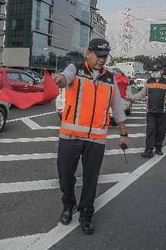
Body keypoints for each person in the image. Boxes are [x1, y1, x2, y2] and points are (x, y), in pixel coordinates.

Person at [52, 38, 129, 235]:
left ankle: (86, 212)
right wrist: (59, 79)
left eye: (105, 56)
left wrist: (123, 133)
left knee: (91, 179)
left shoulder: (110, 79)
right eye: (99, 55)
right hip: (70, 136)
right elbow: (64, 78)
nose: (102, 59)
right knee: (65, 177)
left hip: (96, 140)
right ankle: (68, 204)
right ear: (88, 53)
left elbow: (118, 108)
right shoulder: (75, 70)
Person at [126, 63, 166, 157]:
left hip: (163, 111)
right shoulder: (149, 81)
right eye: (153, 71)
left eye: (157, 71)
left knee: (161, 131)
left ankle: (158, 147)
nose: (155, 73)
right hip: (151, 111)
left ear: (162, 71)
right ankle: (148, 150)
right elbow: (142, 94)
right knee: (150, 130)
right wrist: (132, 98)